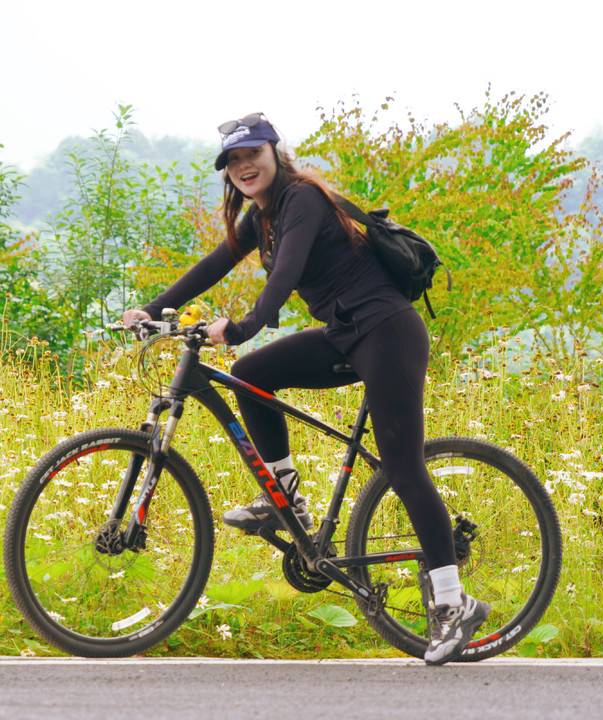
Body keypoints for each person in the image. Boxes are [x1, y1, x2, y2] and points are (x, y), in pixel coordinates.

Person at [121, 112, 488, 665]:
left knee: (403, 467)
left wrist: (243, 326)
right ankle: (285, 497)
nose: (244, 167)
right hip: (345, 334)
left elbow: (284, 276)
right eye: (233, 161)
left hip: (387, 331)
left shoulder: (303, 199)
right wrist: (151, 310)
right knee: (250, 375)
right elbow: (215, 264)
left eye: (252, 154)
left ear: (275, 151)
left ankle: (454, 603)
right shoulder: (261, 217)